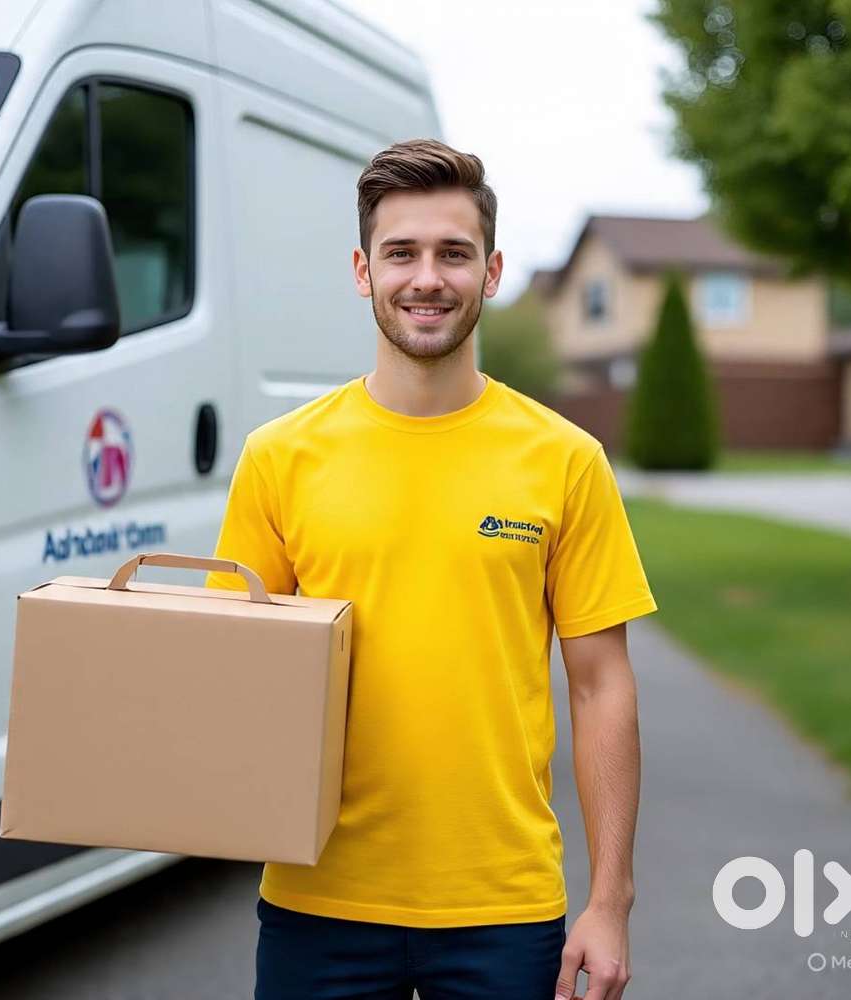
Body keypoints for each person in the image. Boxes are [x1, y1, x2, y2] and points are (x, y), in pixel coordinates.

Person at [205, 138, 658, 1000]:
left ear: (489, 273)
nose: (427, 277)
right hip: (317, 900)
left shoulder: (566, 460)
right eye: (400, 252)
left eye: (453, 254)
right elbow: (236, 674)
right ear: (361, 270)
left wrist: (610, 902)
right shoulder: (280, 458)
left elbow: (602, 685)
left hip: (504, 908)